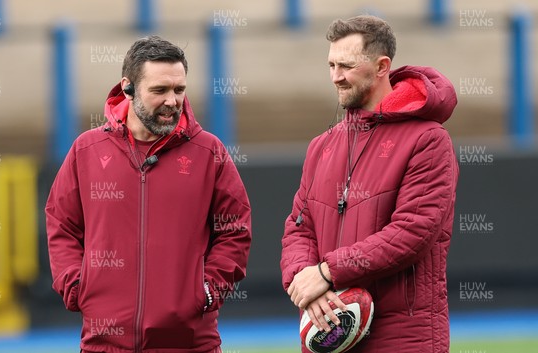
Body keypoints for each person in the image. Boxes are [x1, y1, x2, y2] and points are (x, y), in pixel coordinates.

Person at [46, 36, 251, 353]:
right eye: (159, 90)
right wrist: (76, 286)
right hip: (104, 343)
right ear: (127, 87)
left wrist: (207, 290)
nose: (172, 100)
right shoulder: (86, 150)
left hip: (190, 343)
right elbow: (61, 224)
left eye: (179, 90)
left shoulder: (209, 152)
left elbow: (235, 229)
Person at [280, 15, 458, 353]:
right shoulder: (323, 145)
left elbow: (413, 232)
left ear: (381, 67)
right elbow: (299, 228)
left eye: (345, 66)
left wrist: (328, 272)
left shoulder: (429, 140)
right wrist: (305, 280)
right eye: (331, 64)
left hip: (403, 337)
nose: (335, 77)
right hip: (330, 329)